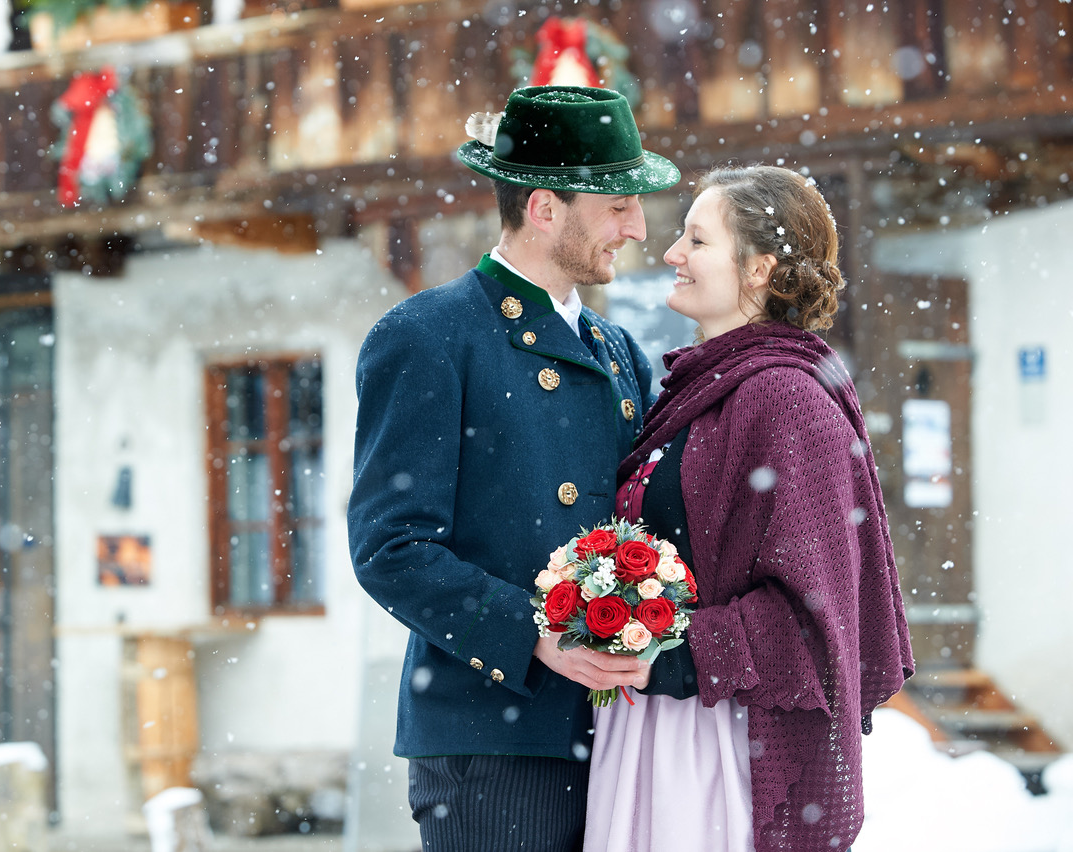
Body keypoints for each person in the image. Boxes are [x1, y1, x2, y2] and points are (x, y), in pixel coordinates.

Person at [348, 85, 680, 851]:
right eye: (618, 205)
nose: (636, 228)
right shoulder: (427, 336)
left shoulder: (617, 350)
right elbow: (390, 548)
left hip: (613, 733)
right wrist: (532, 634)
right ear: (544, 209)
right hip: (490, 739)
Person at [585, 164, 915, 852]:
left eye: (697, 240)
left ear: (761, 268)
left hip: (717, 747)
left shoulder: (786, 398)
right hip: (651, 729)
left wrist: (669, 653)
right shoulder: (699, 388)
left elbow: (813, 615)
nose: (671, 253)